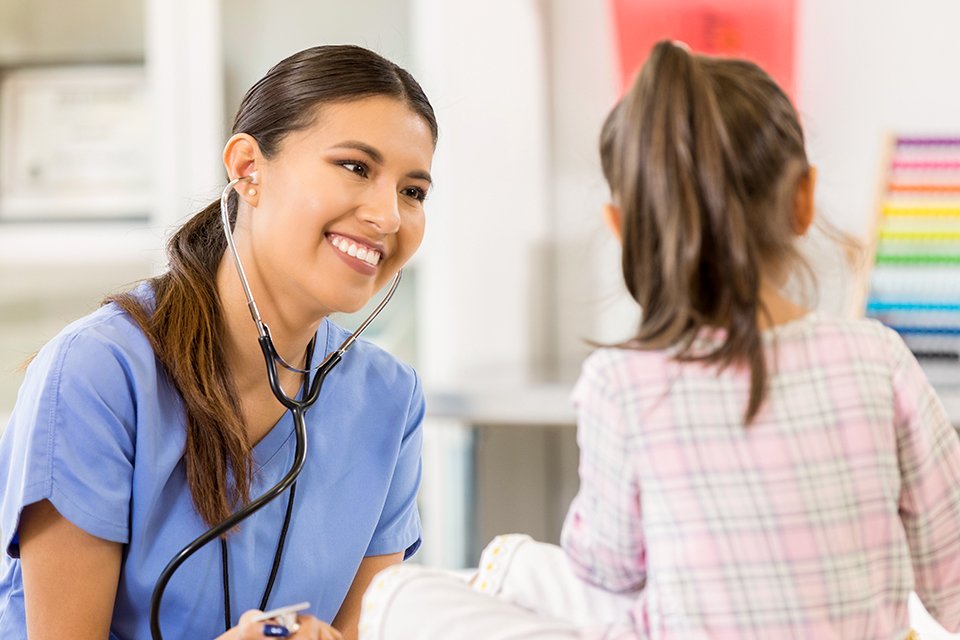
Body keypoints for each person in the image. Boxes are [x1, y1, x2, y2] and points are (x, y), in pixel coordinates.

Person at [358, 40, 960, 640]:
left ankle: (508, 567)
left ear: (619, 227)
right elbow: (950, 569)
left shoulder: (621, 384)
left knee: (411, 596)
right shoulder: (878, 359)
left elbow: (609, 567)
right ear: (803, 199)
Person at [0, 44, 437, 640]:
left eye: (413, 192)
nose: (388, 215)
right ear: (247, 168)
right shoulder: (98, 374)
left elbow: (366, 628)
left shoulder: (389, 400)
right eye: (355, 167)